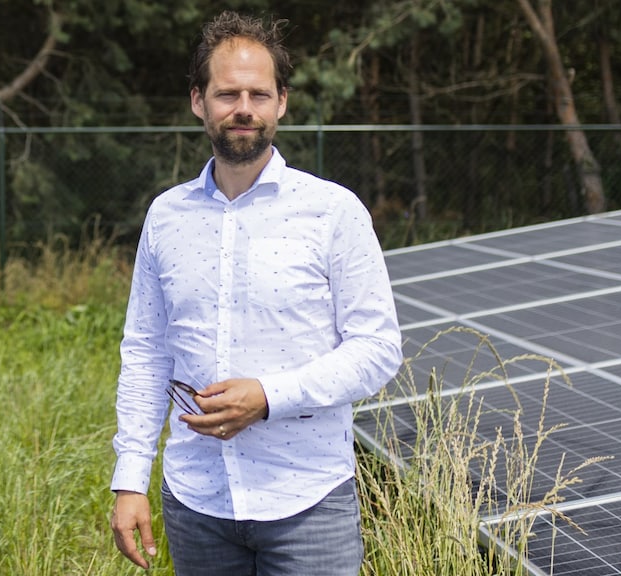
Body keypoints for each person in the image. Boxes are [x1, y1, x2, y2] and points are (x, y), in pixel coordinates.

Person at [109, 10, 403, 575]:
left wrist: (269, 396)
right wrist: (130, 479)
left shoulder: (332, 211)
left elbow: (377, 348)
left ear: (281, 102)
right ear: (198, 101)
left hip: (308, 502)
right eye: (227, 93)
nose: (244, 108)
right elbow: (146, 352)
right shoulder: (166, 216)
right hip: (196, 501)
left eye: (259, 94)